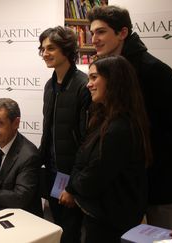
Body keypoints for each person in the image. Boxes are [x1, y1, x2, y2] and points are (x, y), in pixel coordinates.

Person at [87, 5, 172, 229]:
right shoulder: (108, 71)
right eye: (92, 32)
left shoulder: (154, 70)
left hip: (160, 184)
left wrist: (145, 152)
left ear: (122, 33)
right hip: (126, 184)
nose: (93, 38)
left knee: (161, 238)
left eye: (101, 31)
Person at [64, 55, 152, 242]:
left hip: (111, 222)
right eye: (89, 78)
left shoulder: (119, 128)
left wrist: (73, 187)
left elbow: (95, 175)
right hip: (102, 216)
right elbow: (83, 157)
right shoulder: (104, 118)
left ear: (114, 80)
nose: (89, 84)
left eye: (94, 77)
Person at [38, 26, 90, 243]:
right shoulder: (50, 86)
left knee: (71, 234)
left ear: (67, 49)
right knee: (56, 229)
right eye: (42, 49)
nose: (45, 53)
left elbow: (87, 142)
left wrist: (73, 187)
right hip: (52, 173)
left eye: (51, 48)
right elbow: (48, 132)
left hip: (72, 177)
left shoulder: (83, 85)